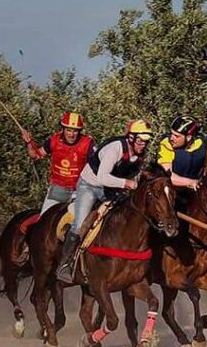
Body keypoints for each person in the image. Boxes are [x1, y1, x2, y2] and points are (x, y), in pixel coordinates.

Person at [55, 120, 154, 283]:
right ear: (130, 137)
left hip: (111, 190)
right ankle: (65, 264)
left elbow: (129, 175)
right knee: (80, 224)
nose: (143, 144)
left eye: (146, 141)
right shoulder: (115, 149)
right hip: (90, 186)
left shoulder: (140, 155)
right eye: (140, 140)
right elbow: (102, 177)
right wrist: (126, 184)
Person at [21, 112, 96, 214]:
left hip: (79, 191)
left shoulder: (88, 144)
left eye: (75, 131)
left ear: (79, 131)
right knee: (43, 220)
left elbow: (97, 165)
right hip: (58, 190)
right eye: (68, 130)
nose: (71, 134)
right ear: (63, 129)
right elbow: (36, 155)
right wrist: (29, 143)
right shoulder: (54, 141)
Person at [155, 115, 207, 191]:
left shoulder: (204, 146)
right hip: (170, 190)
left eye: (176, 136)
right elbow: (169, 177)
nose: (171, 138)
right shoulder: (166, 144)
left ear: (189, 137)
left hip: (196, 190)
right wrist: (191, 182)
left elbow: (205, 171)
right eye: (171, 134)